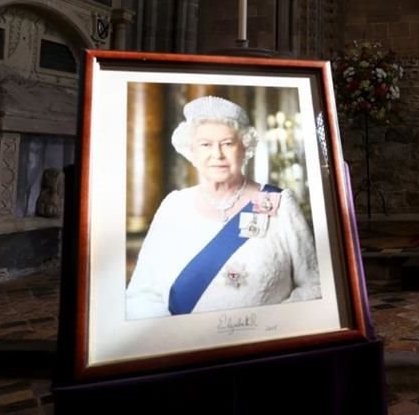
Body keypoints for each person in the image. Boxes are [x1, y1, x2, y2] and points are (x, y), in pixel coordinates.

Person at [125, 95, 321, 319]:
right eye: (205, 145)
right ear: (192, 151)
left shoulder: (280, 203)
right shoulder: (173, 207)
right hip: (187, 347)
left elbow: (315, 285)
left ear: (244, 148)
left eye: (227, 143)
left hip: (263, 345)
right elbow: (142, 293)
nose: (217, 154)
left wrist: (269, 327)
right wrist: (173, 338)